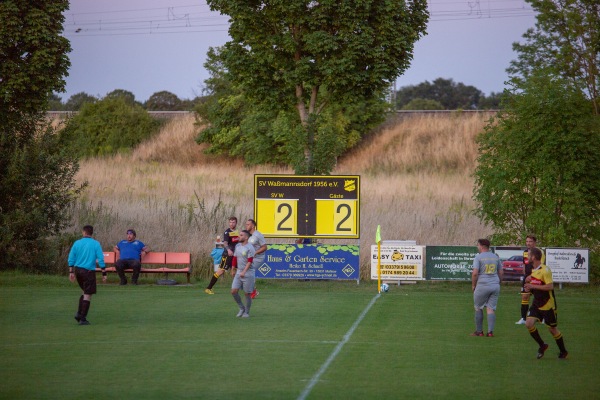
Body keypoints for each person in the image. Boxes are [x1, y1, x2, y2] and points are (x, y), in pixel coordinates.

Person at [524, 247, 568, 359]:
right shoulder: (532, 270)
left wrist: (532, 285)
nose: (527, 257)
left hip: (548, 305)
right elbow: (536, 285)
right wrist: (529, 288)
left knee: (552, 329)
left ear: (533, 257)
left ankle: (563, 351)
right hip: (536, 304)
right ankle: (542, 345)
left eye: (529, 255)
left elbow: (550, 286)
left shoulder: (545, 270)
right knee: (528, 323)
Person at [68, 225, 106, 325]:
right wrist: (104, 272)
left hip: (78, 270)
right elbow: (100, 259)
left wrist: (71, 272)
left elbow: (71, 257)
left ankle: (79, 314)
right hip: (88, 272)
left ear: (83, 232)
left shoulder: (77, 243)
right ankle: (83, 318)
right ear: (91, 233)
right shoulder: (95, 244)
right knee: (88, 295)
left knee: (84, 291)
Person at [471, 238, 503, 337]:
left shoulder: (478, 257)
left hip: (483, 285)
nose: (477, 247)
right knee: (490, 309)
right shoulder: (495, 257)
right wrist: (499, 282)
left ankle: (479, 331)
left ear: (481, 246)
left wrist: (473, 285)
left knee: (478, 307)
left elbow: (475, 273)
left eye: (478, 245)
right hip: (495, 285)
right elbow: (501, 272)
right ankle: (490, 332)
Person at [205, 217, 239, 294]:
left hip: (234, 255)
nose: (231, 224)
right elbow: (225, 243)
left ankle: (236, 289)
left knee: (235, 271)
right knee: (220, 271)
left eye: (233, 222)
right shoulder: (227, 232)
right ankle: (208, 288)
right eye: (230, 222)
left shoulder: (236, 232)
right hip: (227, 255)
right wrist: (229, 249)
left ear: (236, 223)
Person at [516, 235, 545, 324]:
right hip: (527, 277)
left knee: (539, 298)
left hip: (537, 278)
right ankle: (523, 318)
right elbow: (525, 265)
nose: (528, 243)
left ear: (535, 242)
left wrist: (533, 276)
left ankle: (543, 318)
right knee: (525, 297)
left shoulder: (540, 252)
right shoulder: (525, 252)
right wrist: (525, 276)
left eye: (530, 241)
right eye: (527, 241)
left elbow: (541, 266)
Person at [231, 229, 256, 317]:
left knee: (247, 293)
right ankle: (242, 308)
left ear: (246, 237)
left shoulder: (250, 248)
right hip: (239, 272)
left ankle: (247, 312)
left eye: (241, 235)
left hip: (248, 273)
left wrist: (244, 272)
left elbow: (250, 261)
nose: (239, 236)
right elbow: (234, 258)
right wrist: (233, 269)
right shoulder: (238, 246)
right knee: (233, 291)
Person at [246, 218, 267, 299]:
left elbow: (265, 247)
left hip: (258, 258)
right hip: (249, 258)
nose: (246, 225)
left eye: (248, 224)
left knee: (249, 271)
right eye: (246, 224)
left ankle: (253, 291)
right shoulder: (247, 234)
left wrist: (255, 252)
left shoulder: (258, 235)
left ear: (253, 226)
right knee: (246, 272)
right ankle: (253, 290)